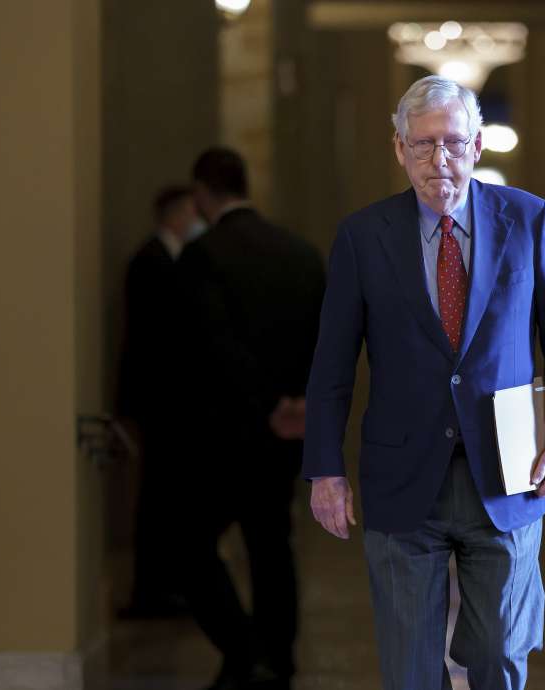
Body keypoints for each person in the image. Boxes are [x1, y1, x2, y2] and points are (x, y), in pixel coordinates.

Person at [303, 75, 545, 689]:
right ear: (399, 148)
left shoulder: (528, 220)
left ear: (477, 145)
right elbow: (331, 366)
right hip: (403, 478)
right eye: (423, 144)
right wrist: (326, 470)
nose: (440, 159)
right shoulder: (363, 237)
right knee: (409, 670)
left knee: (497, 653)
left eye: (454, 143)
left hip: (508, 475)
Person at [174, 147, 325, 690]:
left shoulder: (202, 256)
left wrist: (265, 403)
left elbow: (211, 345)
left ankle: (244, 651)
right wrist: (299, 400)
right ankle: (277, 659)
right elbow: (325, 337)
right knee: (271, 543)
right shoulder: (301, 253)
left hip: (222, 429)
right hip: (288, 429)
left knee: (189, 544)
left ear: (201, 192)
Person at [115, 185, 204, 618]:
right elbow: (155, 338)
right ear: (175, 213)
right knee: (157, 497)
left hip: (168, 399)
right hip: (159, 399)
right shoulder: (150, 261)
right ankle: (151, 590)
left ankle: (166, 585)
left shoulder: (167, 258)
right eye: (190, 211)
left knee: (167, 495)